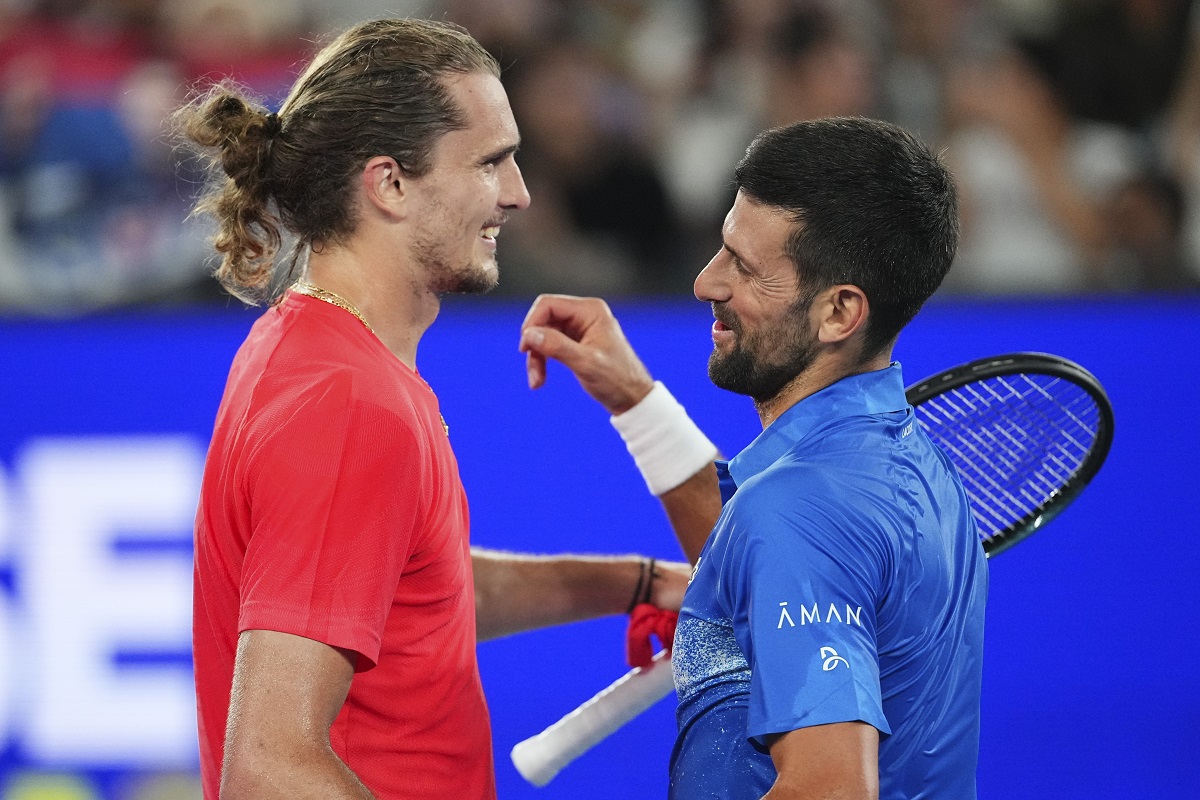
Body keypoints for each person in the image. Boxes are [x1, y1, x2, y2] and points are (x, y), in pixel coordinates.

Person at [176, 18, 688, 800]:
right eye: (491, 163)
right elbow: (270, 770)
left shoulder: (310, 351)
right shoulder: (349, 405)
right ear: (389, 184)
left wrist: (638, 581)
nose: (518, 194)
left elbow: (418, 594)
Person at [520, 117, 989, 799]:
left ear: (838, 313)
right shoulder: (910, 467)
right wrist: (634, 399)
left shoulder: (797, 511)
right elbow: (749, 545)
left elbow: (828, 791)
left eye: (743, 267)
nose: (705, 282)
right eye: (722, 249)